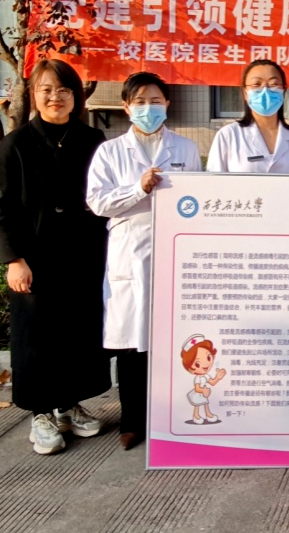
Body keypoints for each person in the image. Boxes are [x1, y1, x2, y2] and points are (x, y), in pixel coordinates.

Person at [0, 59, 110, 456]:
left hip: (84, 256)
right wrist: (14, 259)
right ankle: (40, 413)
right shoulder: (16, 144)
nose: (55, 97)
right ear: (34, 95)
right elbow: (2, 208)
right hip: (35, 260)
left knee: (78, 333)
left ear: (76, 96)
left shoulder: (93, 141)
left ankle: (68, 405)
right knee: (36, 338)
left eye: (63, 90)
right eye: (46, 90)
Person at [87, 72, 204, 450]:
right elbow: (97, 202)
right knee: (132, 342)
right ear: (126, 107)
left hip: (175, 251)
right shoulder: (109, 151)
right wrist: (138, 188)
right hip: (131, 253)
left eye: (155, 101)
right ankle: (132, 420)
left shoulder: (185, 148)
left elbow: (200, 199)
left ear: (167, 104)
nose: (147, 109)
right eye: (139, 102)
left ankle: (172, 415)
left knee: (173, 337)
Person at [207, 59, 289, 173]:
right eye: (256, 84)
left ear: (283, 91)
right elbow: (214, 181)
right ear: (245, 93)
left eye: (274, 84)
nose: (265, 90)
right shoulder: (228, 135)